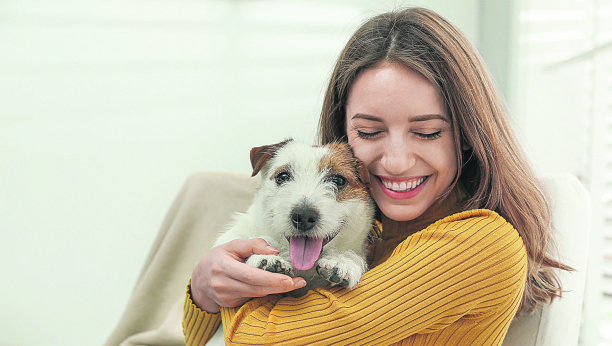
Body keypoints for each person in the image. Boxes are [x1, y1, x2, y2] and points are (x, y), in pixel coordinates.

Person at [183, 7, 570, 345]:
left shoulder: (481, 243)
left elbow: (262, 341)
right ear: (343, 133)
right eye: (369, 132)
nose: (397, 162)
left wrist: (223, 290)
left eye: (427, 131)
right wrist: (202, 290)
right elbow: (193, 335)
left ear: (468, 137)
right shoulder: (365, 230)